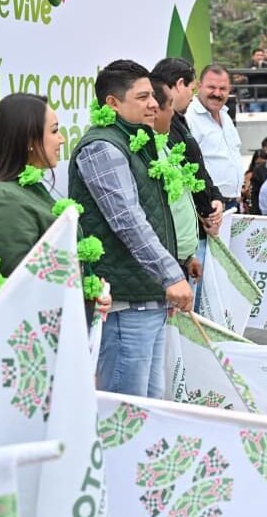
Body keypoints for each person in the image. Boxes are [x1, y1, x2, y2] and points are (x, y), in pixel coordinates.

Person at [69, 60, 193, 398]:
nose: (154, 104)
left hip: (148, 296)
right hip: (126, 302)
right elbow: (128, 221)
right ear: (112, 103)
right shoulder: (102, 147)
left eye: (152, 96)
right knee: (126, 413)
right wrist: (171, 274)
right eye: (142, 97)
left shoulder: (139, 140)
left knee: (150, 409)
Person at [0, 94, 116, 318]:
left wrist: (91, 296)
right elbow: (24, 283)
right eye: (54, 131)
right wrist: (83, 300)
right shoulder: (2, 201)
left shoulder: (27, 189)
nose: (62, 139)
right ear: (29, 141)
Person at [151, 58, 223, 228]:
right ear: (179, 83)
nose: (193, 96)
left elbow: (196, 166)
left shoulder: (180, 120)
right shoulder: (159, 128)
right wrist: (203, 212)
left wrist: (215, 197)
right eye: (192, 89)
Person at [186, 65, 245, 211]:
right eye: (211, 87)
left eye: (223, 89)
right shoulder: (189, 116)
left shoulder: (225, 115)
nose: (217, 93)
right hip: (209, 204)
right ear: (199, 86)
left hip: (233, 202)